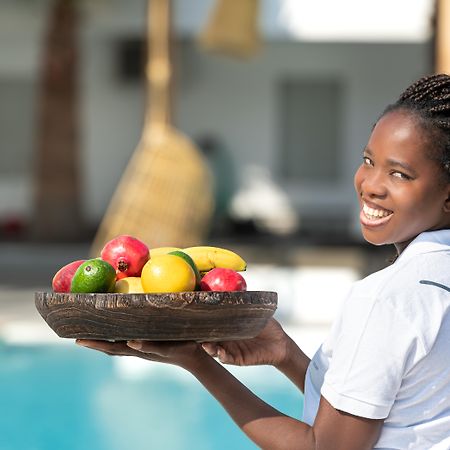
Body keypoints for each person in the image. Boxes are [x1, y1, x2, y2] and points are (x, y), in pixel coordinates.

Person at [77, 73, 450, 449]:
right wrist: (286, 355)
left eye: (399, 173)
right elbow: (394, 409)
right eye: (369, 161)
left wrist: (197, 362)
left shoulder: (385, 299)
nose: (371, 184)